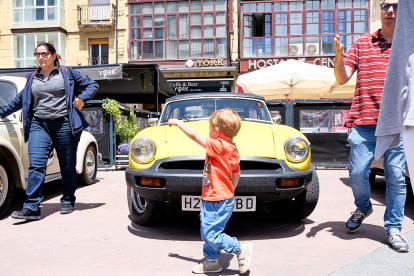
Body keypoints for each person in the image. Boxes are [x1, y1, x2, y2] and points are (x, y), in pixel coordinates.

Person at [333, 0, 409, 252]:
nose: (389, 11)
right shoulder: (363, 42)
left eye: (396, 6)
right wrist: (339, 56)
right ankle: (364, 207)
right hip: (363, 122)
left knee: (397, 179)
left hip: (396, 124)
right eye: (385, 5)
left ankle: (394, 228)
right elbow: (343, 78)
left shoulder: (408, 45)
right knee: (356, 173)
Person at [0, 43, 98, 220]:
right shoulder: (32, 78)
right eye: (37, 54)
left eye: (44, 54)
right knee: (36, 165)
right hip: (39, 125)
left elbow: (92, 85)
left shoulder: (66, 73)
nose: (40, 57)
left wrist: (82, 98)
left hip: (63, 125)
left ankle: (68, 199)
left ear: (53, 55)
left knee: (67, 166)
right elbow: (18, 102)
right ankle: (32, 207)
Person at [168, 109, 252, 274]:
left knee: (211, 234)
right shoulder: (232, 148)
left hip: (217, 199)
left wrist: (179, 123)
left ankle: (240, 248)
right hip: (215, 197)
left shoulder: (220, 146)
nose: (208, 131)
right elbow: (237, 172)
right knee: (208, 232)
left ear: (218, 131)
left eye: (210, 128)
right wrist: (231, 189)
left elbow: (195, 136)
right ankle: (213, 261)